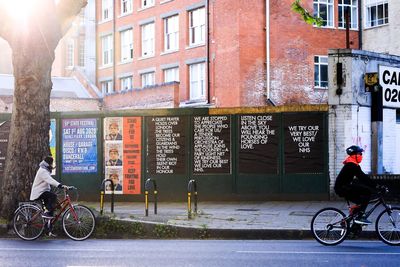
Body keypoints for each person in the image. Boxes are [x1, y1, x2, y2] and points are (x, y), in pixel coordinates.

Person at [334, 145, 378, 225]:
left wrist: (375, 185)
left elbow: (363, 177)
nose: (361, 156)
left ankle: (348, 221)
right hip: (342, 188)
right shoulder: (351, 165)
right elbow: (362, 178)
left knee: (361, 201)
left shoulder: (353, 164)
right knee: (367, 192)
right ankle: (360, 216)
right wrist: (376, 186)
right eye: (360, 154)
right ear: (355, 155)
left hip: (344, 187)